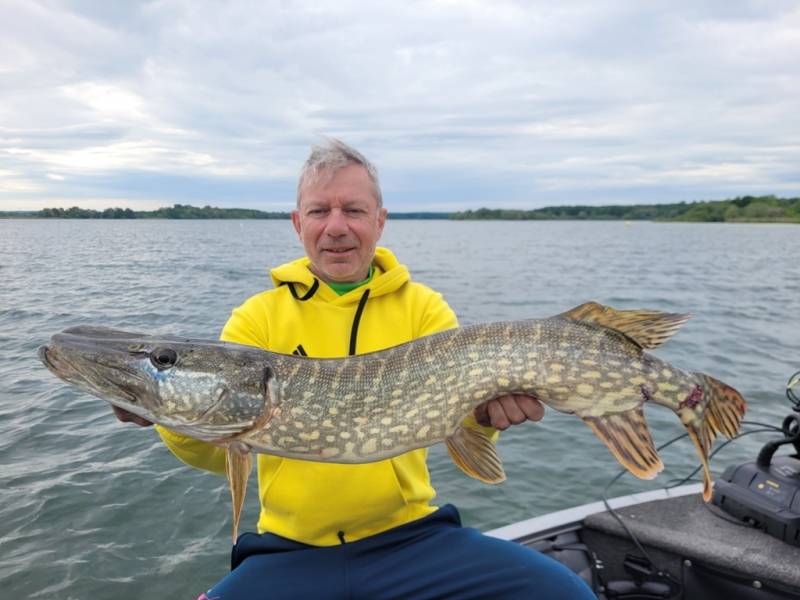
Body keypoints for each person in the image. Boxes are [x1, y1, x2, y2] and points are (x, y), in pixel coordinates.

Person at [114, 139, 595, 599]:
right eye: (320, 211)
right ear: (298, 223)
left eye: (354, 210)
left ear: (380, 222)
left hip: (413, 540)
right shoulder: (256, 317)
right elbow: (220, 450)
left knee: (564, 593)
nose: (336, 226)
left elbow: (462, 421)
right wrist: (164, 414)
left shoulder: (424, 309)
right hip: (289, 550)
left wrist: (485, 419)